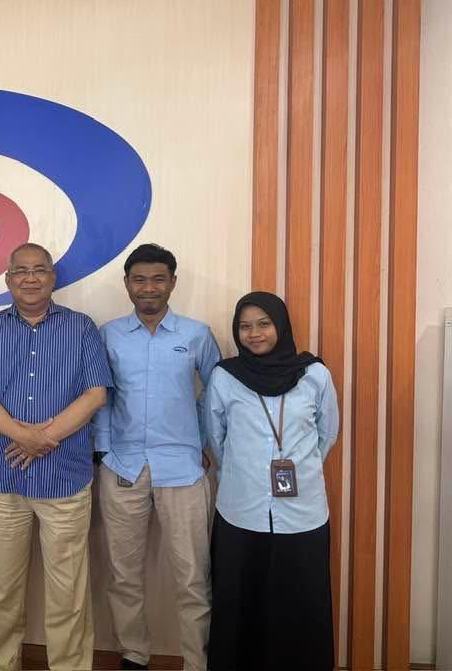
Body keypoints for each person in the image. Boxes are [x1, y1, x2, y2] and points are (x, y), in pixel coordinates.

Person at [0, 242, 112, 671]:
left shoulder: (82, 328)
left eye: (40, 269)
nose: (31, 278)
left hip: (64, 477)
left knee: (68, 590)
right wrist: (23, 436)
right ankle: (3, 663)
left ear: (52, 277)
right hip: (4, 476)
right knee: (2, 586)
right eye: (22, 271)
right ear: (8, 279)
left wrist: (42, 437)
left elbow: (95, 394)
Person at [92, 243, 220, 670]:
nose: (148, 287)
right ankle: (133, 655)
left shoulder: (196, 334)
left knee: (193, 575)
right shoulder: (108, 334)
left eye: (158, 279)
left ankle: (197, 661)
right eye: (140, 279)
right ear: (127, 284)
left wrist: (203, 441)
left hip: (183, 469)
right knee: (123, 574)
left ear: (173, 283)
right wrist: (104, 448)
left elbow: (217, 393)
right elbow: (101, 395)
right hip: (122, 466)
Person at [204, 291, 338, 670]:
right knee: (240, 606)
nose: (254, 333)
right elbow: (216, 437)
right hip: (240, 511)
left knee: (301, 604)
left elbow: (326, 434)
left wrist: (299, 467)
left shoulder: (314, 374)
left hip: (303, 513)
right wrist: (245, 474)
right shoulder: (225, 376)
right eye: (245, 326)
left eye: (264, 324)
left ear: (280, 325)